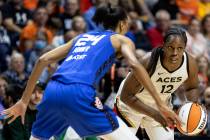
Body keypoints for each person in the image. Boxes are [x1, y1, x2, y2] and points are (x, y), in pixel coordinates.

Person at [3, 4, 179, 140]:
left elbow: (42, 60)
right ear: (124, 23)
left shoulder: (82, 37)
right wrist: (161, 104)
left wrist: (23, 101)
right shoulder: (121, 39)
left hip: (52, 91)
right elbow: (134, 64)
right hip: (79, 92)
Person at [115, 27, 199, 140]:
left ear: (185, 48)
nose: (175, 53)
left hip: (161, 107)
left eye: (180, 48)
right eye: (171, 47)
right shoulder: (148, 61)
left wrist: (192, 106)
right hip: (130, 105)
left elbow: (192, 88)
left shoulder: (190, 63)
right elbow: (126, 96)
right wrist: (154, 114)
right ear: (163, 45)